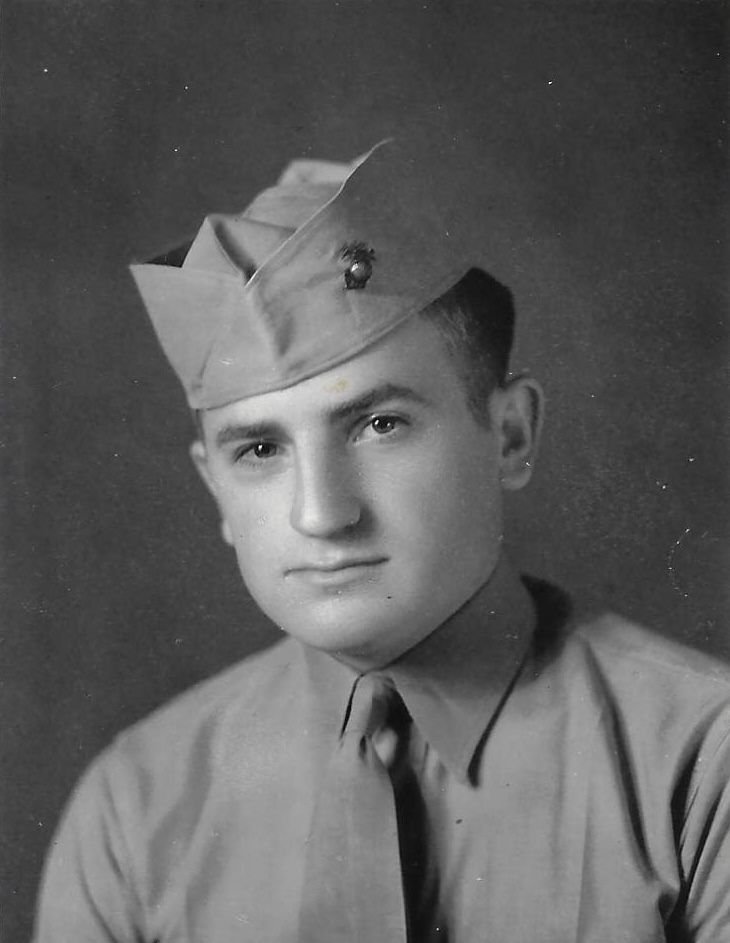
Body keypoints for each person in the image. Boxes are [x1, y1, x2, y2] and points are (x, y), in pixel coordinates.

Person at [34, 138, 730, 943]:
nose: (322, 514)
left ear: (510, 435)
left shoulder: (703, 764)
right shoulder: (131, 809)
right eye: (259, 450)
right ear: (215, 487)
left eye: (380, 424)